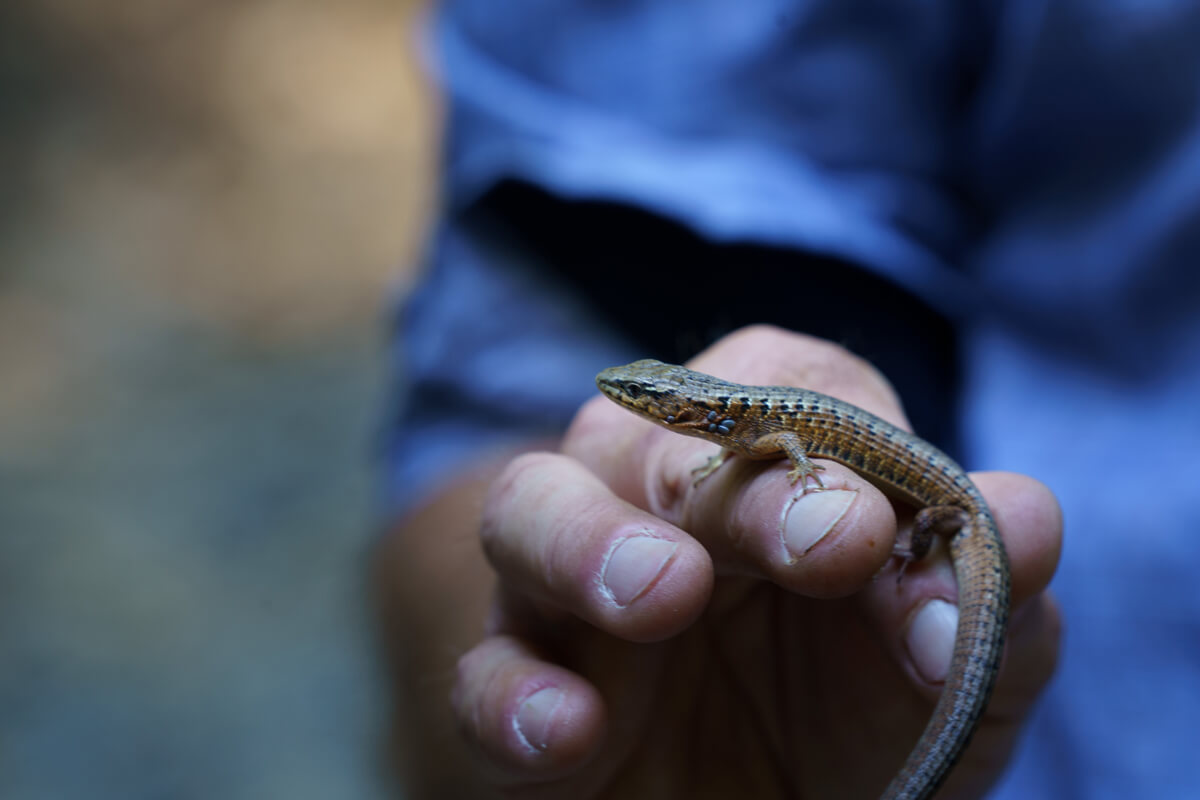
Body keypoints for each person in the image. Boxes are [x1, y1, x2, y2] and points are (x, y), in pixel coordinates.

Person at [375, 2, 1200, 798]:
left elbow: (787, 447)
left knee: (962, 535)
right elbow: (490, 397)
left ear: (678, 405)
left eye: (643, 395)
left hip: (954, 509)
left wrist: (807, 481)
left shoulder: (749, 424)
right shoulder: (728, 422)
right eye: (639, 397)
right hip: (887, 630)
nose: (633, 400)